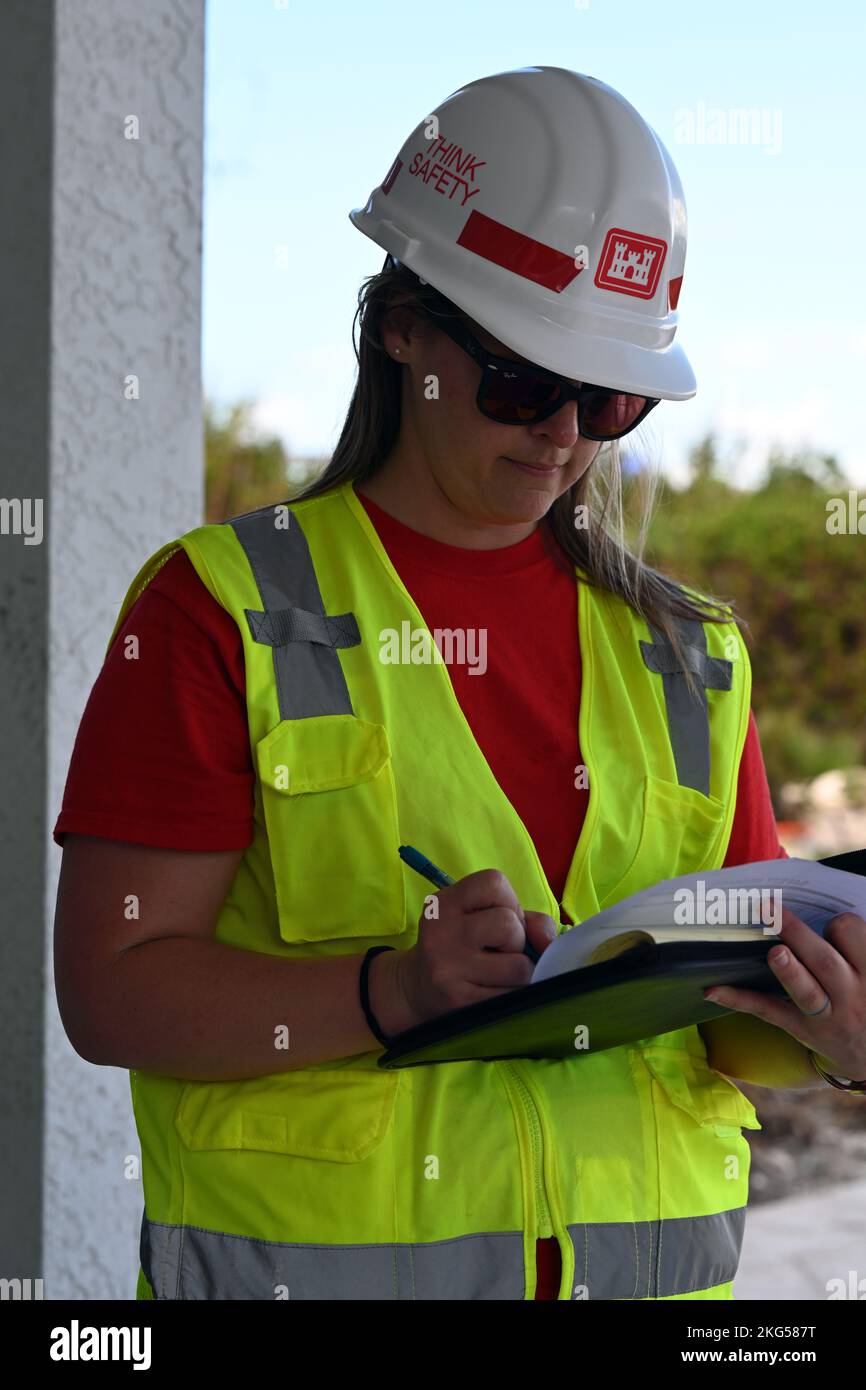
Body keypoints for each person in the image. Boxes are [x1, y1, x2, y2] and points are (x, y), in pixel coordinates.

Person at [53, 66, 866, 1302]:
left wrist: (835, 1036)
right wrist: (386, 990)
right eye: (522, 383)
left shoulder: (688, 655)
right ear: (401, 326)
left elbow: (726, 1019)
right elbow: (112, 990)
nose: (563, 436)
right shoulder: (219, 609)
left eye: (608, 400)